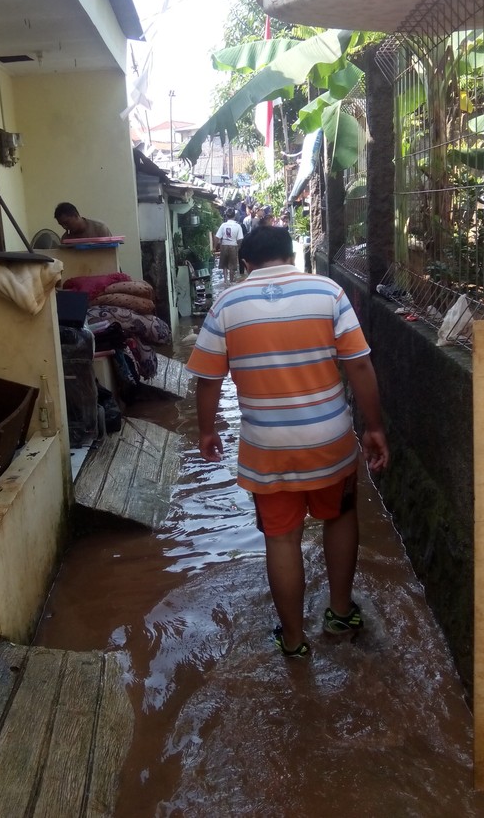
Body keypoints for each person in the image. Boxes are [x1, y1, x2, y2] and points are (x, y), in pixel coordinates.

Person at [186, 226, 389, 658]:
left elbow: (207, 382)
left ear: (246, 263)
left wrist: (207, 432)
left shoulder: (225, 304)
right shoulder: (329, 292)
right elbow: (360, 366)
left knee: (281, 540)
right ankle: (338, 614)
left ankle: (294, 642)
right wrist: (374, 428)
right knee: (340, 518)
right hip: (330, 441)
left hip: (267, 449)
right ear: (290, 254)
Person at [213, 207, 244, 285]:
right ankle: (231, 281)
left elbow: (217, 237)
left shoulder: (223, 225)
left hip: (224, 245)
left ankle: (225, 280)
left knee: (224, 265)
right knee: (232, 265)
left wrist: (214, 247)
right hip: (233, 246)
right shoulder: (238, 226)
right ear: (234, 216)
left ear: (226, 216)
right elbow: (240, 239)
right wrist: (239, 248)